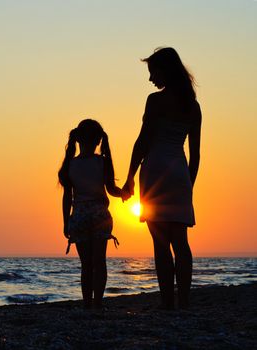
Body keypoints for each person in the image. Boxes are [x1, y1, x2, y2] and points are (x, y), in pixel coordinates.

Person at [122, 47, 202, 310]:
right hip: (179, 173)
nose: (150, 79)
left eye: (152, 72)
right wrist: (189, 184)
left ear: (164, 70)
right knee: (181, 243)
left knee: (161, 244)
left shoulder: (155, 101)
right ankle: (185, 302)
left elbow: (142, 142)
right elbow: (196, 154)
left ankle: (168, 302)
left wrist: (130, 177)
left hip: (155, 171)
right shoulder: (193, 106)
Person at [58, 119, 124, 309]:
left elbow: (66, 198)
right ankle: (97, 302)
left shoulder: (70, 164)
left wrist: (65, 222)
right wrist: (124, 194)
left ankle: (87, 303)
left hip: (79, 216)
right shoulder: (102, 162)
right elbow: (111, 189)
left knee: (86, 264)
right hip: (99, 216)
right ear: (98, 141)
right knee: (99, 262)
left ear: (77, 139)